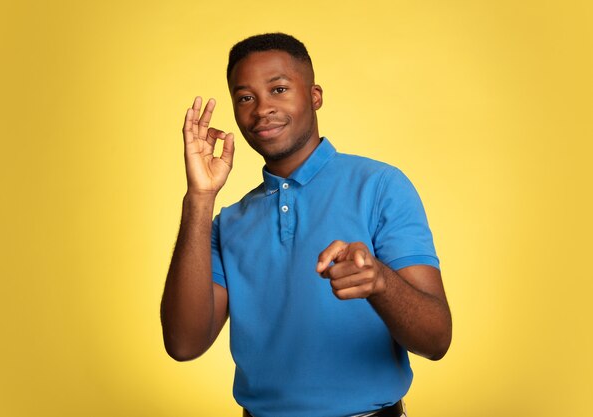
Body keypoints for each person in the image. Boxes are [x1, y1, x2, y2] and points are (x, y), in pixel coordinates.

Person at [161, 33, 452, 417]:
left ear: (314, 96)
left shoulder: (381, 185)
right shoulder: (226, 222)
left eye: (278, 89)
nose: (262, 108)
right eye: (245, 97)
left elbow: (436, 339)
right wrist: (199, 198)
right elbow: (184, 344)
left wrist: (380, 282)